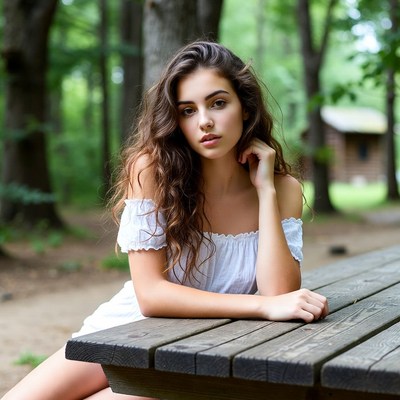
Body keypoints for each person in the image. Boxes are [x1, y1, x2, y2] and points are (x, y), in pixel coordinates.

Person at [2, 40, 328, 400]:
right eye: (188, 110)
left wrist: (264, 191)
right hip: (130, 331)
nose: (204, 121)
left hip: (204, 351)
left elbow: (279, 293)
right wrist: (262, 307)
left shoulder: (283, 190)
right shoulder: (152, 171)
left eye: (218, 103)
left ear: (246, 109)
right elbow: (151, 297)